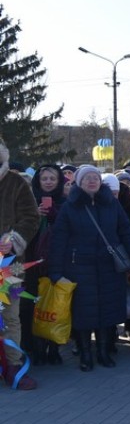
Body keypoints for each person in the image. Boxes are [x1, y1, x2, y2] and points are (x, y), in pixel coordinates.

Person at [49, 164, 130, 372]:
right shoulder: (70, 206)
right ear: (79, 182)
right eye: (87, 178)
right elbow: (58, 241)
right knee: (83, 313)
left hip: (108, 267)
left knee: (106, 311)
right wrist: (55, 272)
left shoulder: (111, 204)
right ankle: (85, 353)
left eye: (95, 177)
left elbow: (126, 231)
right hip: (78, 267)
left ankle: (102, 351)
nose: (92, 181)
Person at [0, 137, 40, 389]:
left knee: (11, 316)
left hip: (10, 264)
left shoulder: (15, 182)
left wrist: (12, 239)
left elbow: (31, 217)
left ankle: (12, 366)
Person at [25, 164, 66, 366]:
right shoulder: (29, 202)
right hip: (32, 263)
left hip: (57, 261)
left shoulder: (66, 202)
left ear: (59, 182)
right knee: (34, 305)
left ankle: (54, 348)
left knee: (56, 305)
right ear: (38, 182)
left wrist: (54, 215)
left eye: (53, 179)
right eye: (45, 179)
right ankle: (36, 348)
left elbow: (70, 230)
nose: (48, 182)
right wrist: (36, 215)